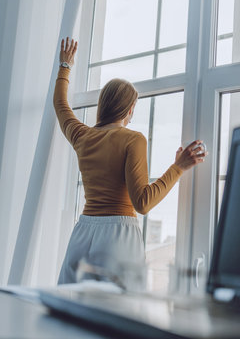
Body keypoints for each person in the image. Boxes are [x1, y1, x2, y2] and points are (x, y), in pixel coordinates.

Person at [54, 37, 208, 285]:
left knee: (69, 315)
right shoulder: (132, 140)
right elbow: (143, 203)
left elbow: (61, 106)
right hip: (117, 238)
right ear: (130, 109)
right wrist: (178, 167)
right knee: (116, 320)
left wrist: (65, 65)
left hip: (81, 235)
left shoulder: (82, 136)